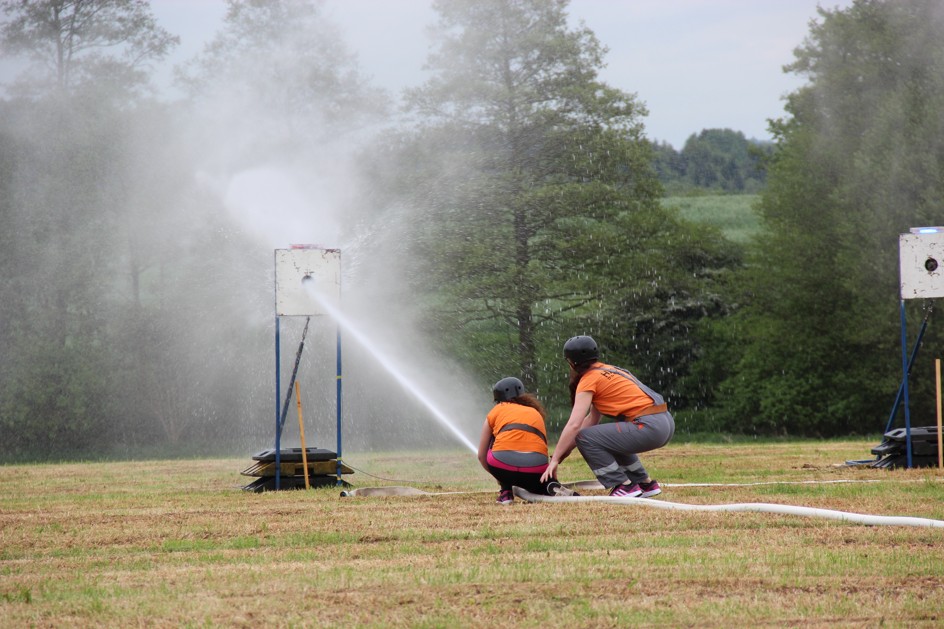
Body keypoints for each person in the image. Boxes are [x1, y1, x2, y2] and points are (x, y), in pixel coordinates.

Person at [540, 335, 674, 497]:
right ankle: (644, 483)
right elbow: (591, 420)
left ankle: (622, 485)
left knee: (584, 437)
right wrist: (560, 455)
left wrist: (554, 461)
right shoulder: (609, 370)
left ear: (571, 362)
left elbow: (575, 425)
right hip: (664, 422)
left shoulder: (589, 379)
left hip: (649, 426)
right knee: (606, 438)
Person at [478, 376, 572, 504]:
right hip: (536, 468)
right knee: (531, 440)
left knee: (496, 439)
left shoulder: (495, 411)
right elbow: (541, 445)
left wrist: (500, 476)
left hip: (501, 465)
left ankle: (505, 492)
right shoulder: (535, 412)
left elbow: (481, 456)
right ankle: (545, 486)